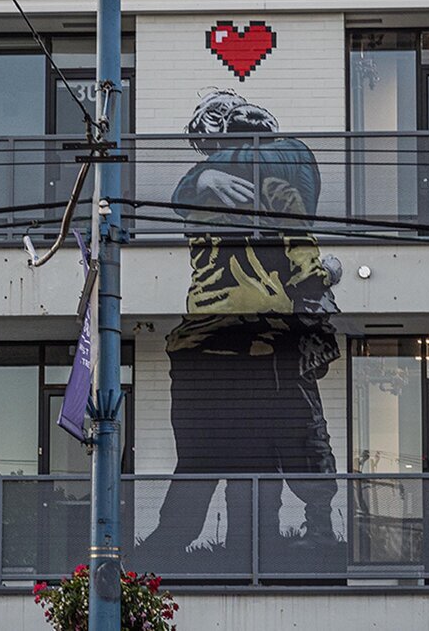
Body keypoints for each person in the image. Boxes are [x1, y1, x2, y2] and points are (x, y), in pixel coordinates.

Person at [138, 90, 341, 560]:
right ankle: (297, 538)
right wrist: (330, 270)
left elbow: (181, 200)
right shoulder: (280, 180)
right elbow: (304, 263)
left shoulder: (202, 190)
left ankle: (171, 544)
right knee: (290, 448)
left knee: (203, 460)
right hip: (264, 337)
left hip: (198, 341)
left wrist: (203, 176)